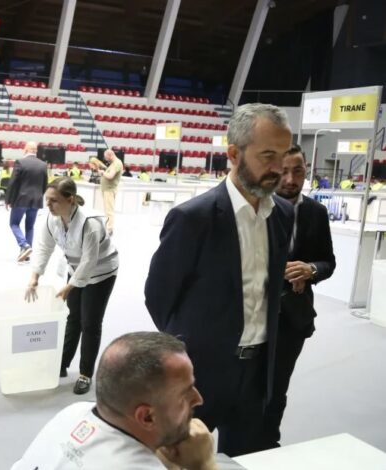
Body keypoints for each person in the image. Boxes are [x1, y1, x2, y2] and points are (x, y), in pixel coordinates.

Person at [144, 103, 294, 457]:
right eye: (268, 156)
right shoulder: (193, 218)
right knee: (181, 459)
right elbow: (158, 296)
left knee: (247, 458)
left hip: (257, 373)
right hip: (199, 373)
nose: (279, 169)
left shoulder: (283, 215)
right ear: (234, 154)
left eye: (283, 155)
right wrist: (190, 349)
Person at [11, 332, 217, 470]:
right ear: (146, 417)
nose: (198, 399)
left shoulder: (72, 413)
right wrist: (204, 464)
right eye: (185, 394)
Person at [260, 145, 336, 449]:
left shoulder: (316, 212)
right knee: (245, 386)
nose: (291, 180)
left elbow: (328, 262)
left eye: (298, 171)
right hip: (253, 313)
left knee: (278, 387)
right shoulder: (256, 207)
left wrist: (310, 270)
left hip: (293, 316)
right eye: (284, 172)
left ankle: (269, 445)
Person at [26, 177, 118, 394]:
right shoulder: (52, 219)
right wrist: (35, 276)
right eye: (47, 200)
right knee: (73, 317)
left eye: (54, 200)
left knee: (90, 323)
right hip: (75, 268)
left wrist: (70, 287)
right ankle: (62, 363)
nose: (48, 205)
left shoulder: (90, 223)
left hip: (101, 272)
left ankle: (85, 374)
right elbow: (44, 247)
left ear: (70, 199)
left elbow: (89, 261)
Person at [6, 142, 47, 262]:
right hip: (36, 200)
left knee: (14, 224)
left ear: (25, 149)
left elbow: (12, 183)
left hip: (21, 199)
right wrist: (39, 196)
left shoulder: (20, 162)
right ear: (36, 151)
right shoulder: (43, 164)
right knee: (30, 226)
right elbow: (45, 184)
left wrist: (8, 199)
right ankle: (26, 254)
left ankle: (24, 245)